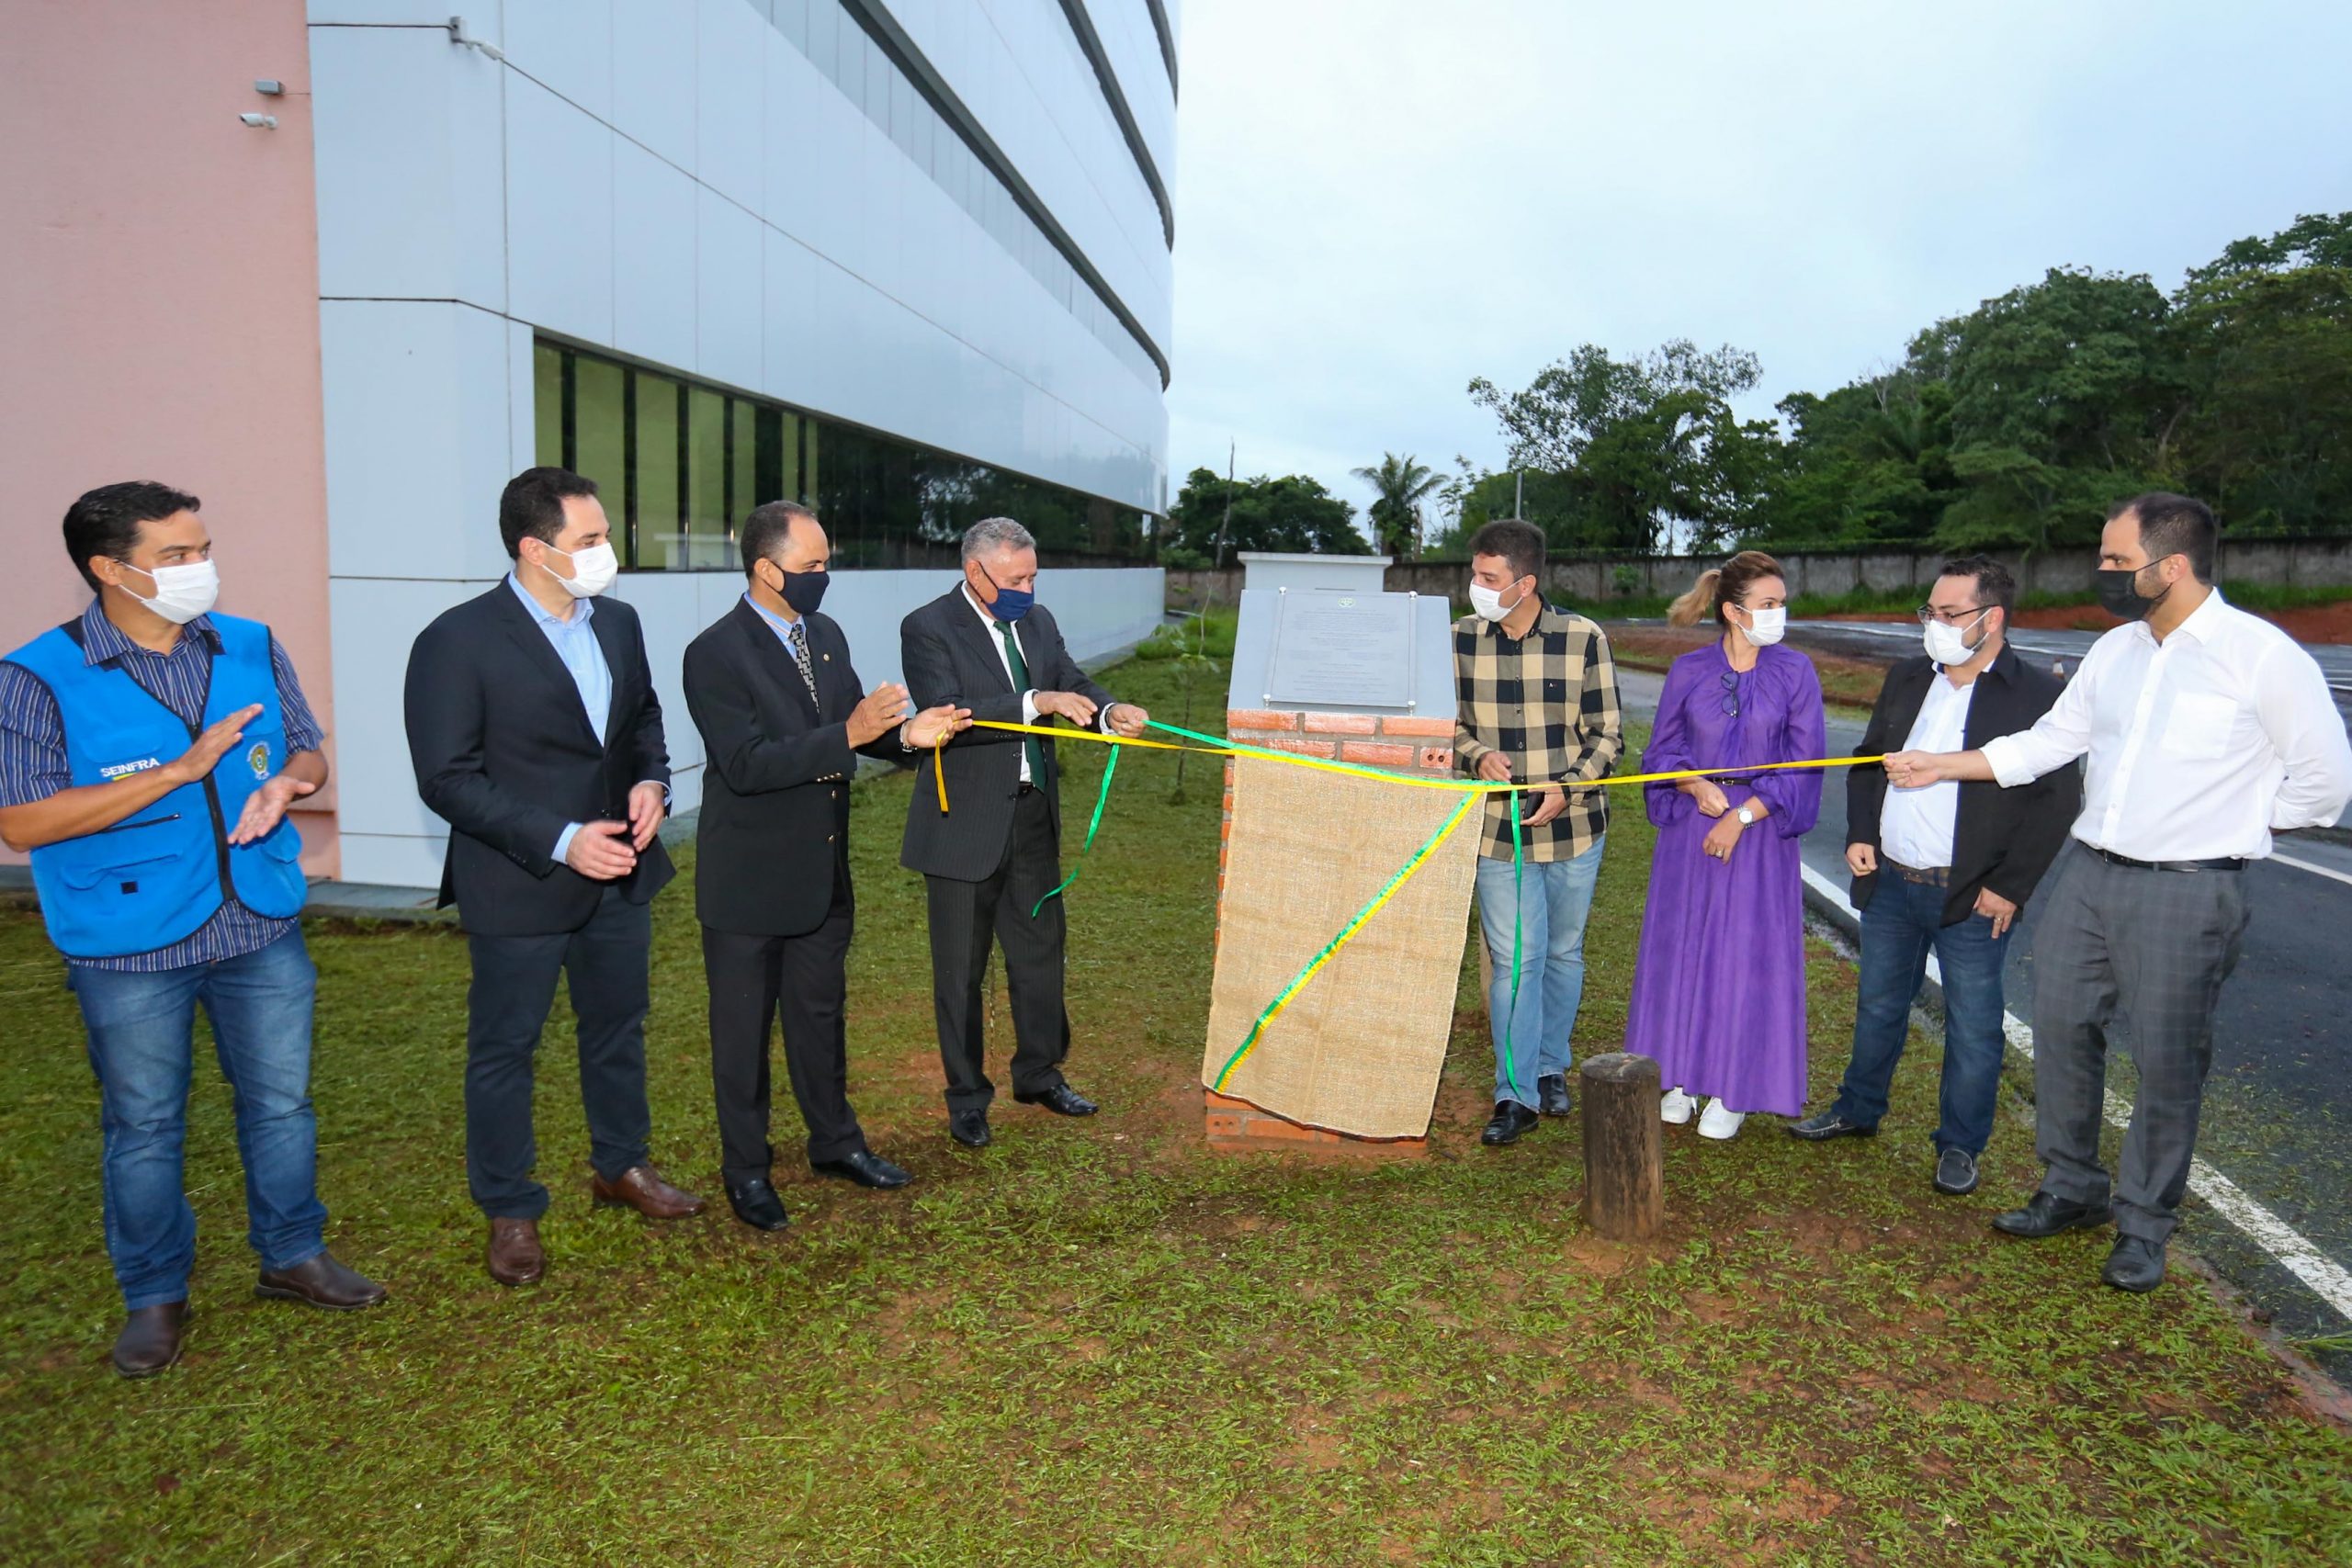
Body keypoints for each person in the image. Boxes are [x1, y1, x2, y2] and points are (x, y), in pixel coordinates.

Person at [1885, 494, 2352, 1292]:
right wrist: (1941, 764)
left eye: (2113, 560)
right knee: (2061, 1029)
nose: (2099, 572)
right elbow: (2049, 743)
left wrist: (2231, 818)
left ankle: (2144, 1224)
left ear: (2169, 567)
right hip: (2090, 875)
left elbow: (2325, 786)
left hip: (2190, 888)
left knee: (2167, 1062)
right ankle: (2072, 1187)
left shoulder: (2261, 657)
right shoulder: (2117, 650)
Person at [0, 482, 385, 1377]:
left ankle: (292, 1256)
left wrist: (289, 783)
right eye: (176, 555)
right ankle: (154, 1296)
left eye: (201, 548)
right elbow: (23, 823)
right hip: (130, 941)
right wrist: (178, 772)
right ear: (109, 568)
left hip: (258, 921)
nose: (199, 568)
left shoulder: (247, 644)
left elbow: (306, 747)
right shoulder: (36, 675)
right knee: (143, 1125)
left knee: (282, 1105)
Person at [403, 467, 703, 1289]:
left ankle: (621, 1165)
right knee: (505, 1049)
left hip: (619, 878)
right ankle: (510, 1207)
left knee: (618, 1028)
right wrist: (562, 839)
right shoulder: (455, 640)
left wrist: (654, 783)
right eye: (591, 540)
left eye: (605, 535)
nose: (609, 552)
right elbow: (448, 777)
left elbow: (640, 718)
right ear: (535, 549)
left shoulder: (619, 623)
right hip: (519, 881)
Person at [683, 502, 967, 1231]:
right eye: (811, 567)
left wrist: (909, 734)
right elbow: (745, 765)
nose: (823, 577)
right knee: (742, 1039)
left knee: (820, 1018)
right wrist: (852, 729)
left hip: (822, 874)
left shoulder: (827, 637)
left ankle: (835, 1142)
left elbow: (857, 734)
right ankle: (746, 1170)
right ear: (765, 569)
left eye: (826, 562)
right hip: (747, 883)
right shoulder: (714, 653)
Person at [1789, 557, 2078, 1197]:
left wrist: (2010, 886)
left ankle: (1959, 1145)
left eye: (1949, 615)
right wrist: (1862, 833)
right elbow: (1868, 762)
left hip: (1970, 894)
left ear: (1991, 618)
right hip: (1892, 882)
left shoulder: (2035, 696)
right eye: (1930, 612)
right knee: (1879, 1004)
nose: (1934, 625)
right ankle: (1858, 1108)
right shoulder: (1908, 677)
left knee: (1974, 1025)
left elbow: (2056, 800)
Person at [899, 518, 1148, 1148]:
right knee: (960, 970)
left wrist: (1109, 711)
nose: (1028, 588)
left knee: (1040, 955)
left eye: (1033, 575)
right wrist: (1037, 700)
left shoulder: (1035, 621)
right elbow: (949, 714)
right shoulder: (927, 627)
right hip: (963, 825)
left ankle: (1039, 1073)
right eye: (1016, 578)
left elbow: (1073, 683)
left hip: (1032, 815)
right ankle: (967, 1098)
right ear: (975, 571)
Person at [1623, 551, 1825, 1140]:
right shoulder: (1688, 671)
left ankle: (1733, 1086)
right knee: (1684, 948)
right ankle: (1682, 1076)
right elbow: (1659, 754)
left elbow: (1806, 763)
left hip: (1758, 837)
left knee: (1743, 958)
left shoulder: (1796, 672)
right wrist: (1691, 781)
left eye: (1781, 604)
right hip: (1691, 832)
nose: (1778, 614)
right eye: (1767, 605)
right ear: (1733, 611)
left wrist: (1740, 814)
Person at [1451, 518, 1623, 1147]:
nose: (1476, 586)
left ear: (1525, 582)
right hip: (1500, 833)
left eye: (1488, 577)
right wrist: (1476, 755)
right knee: (1515, 962)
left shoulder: (1584, 639)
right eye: (1475, 573)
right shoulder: (1460, 640)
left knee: (1562, 954)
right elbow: (1444, 724)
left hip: (1576, 828)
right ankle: (1514, 1092)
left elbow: (1609, 734)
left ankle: (1552, 1062)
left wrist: (1567, 786)